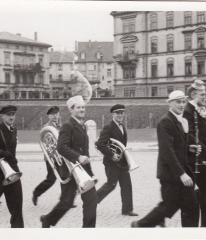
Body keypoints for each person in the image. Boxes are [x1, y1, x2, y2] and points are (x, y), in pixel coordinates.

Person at [131, 90, 200, 227]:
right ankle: (140, 225)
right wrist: (181, 174)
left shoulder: (178, 120)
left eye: (183, 102)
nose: (181, 105)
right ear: (170, 104)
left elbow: (176, 146)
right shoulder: (166, 122)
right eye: (178, 102)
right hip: (171, 175)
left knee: (190, 207)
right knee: (169, 206)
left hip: (180, 174)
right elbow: (167, 151)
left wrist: (189, 148)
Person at [40, 95, 98, 228]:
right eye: (78, 107)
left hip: (82, 171)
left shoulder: (82, 126)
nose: (82, 109)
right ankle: (47, 220)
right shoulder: (68, 126)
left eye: (83, 107)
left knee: (91, 199)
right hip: (71, 171)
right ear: (71, 110)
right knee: (66, 202)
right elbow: (61, 147)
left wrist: (88, 168)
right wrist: (78, 157)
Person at [95, 104, 138, 216]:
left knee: (127, 185)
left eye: (121, 113)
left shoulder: (122, 126)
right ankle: (92, 201)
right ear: (113, 114)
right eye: (117, 113)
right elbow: (100, 144)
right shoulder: (108, 127)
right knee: (111, 185)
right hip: (111, 162)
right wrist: (111, 155)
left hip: (122, 162)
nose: (120, 115)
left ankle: (127, 210)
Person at [183, 79, 206, 227]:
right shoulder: (188, 110)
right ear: (193, 95)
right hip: (194, 160)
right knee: (193, 197)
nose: (205, 97)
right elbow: (189, 135)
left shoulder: (201, 109)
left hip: (202, 158)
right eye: (202, 95)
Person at [32, 106, 61, 206]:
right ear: (48, 116)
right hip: (51, 157)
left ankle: (66, 198)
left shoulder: (59, 126)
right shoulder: (46, 127)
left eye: (57, 114)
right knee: (51, 179)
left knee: (66, 175)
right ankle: (36, 193)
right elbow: (46, 143)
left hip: (60, 156)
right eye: (53, 114)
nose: (55, 116)